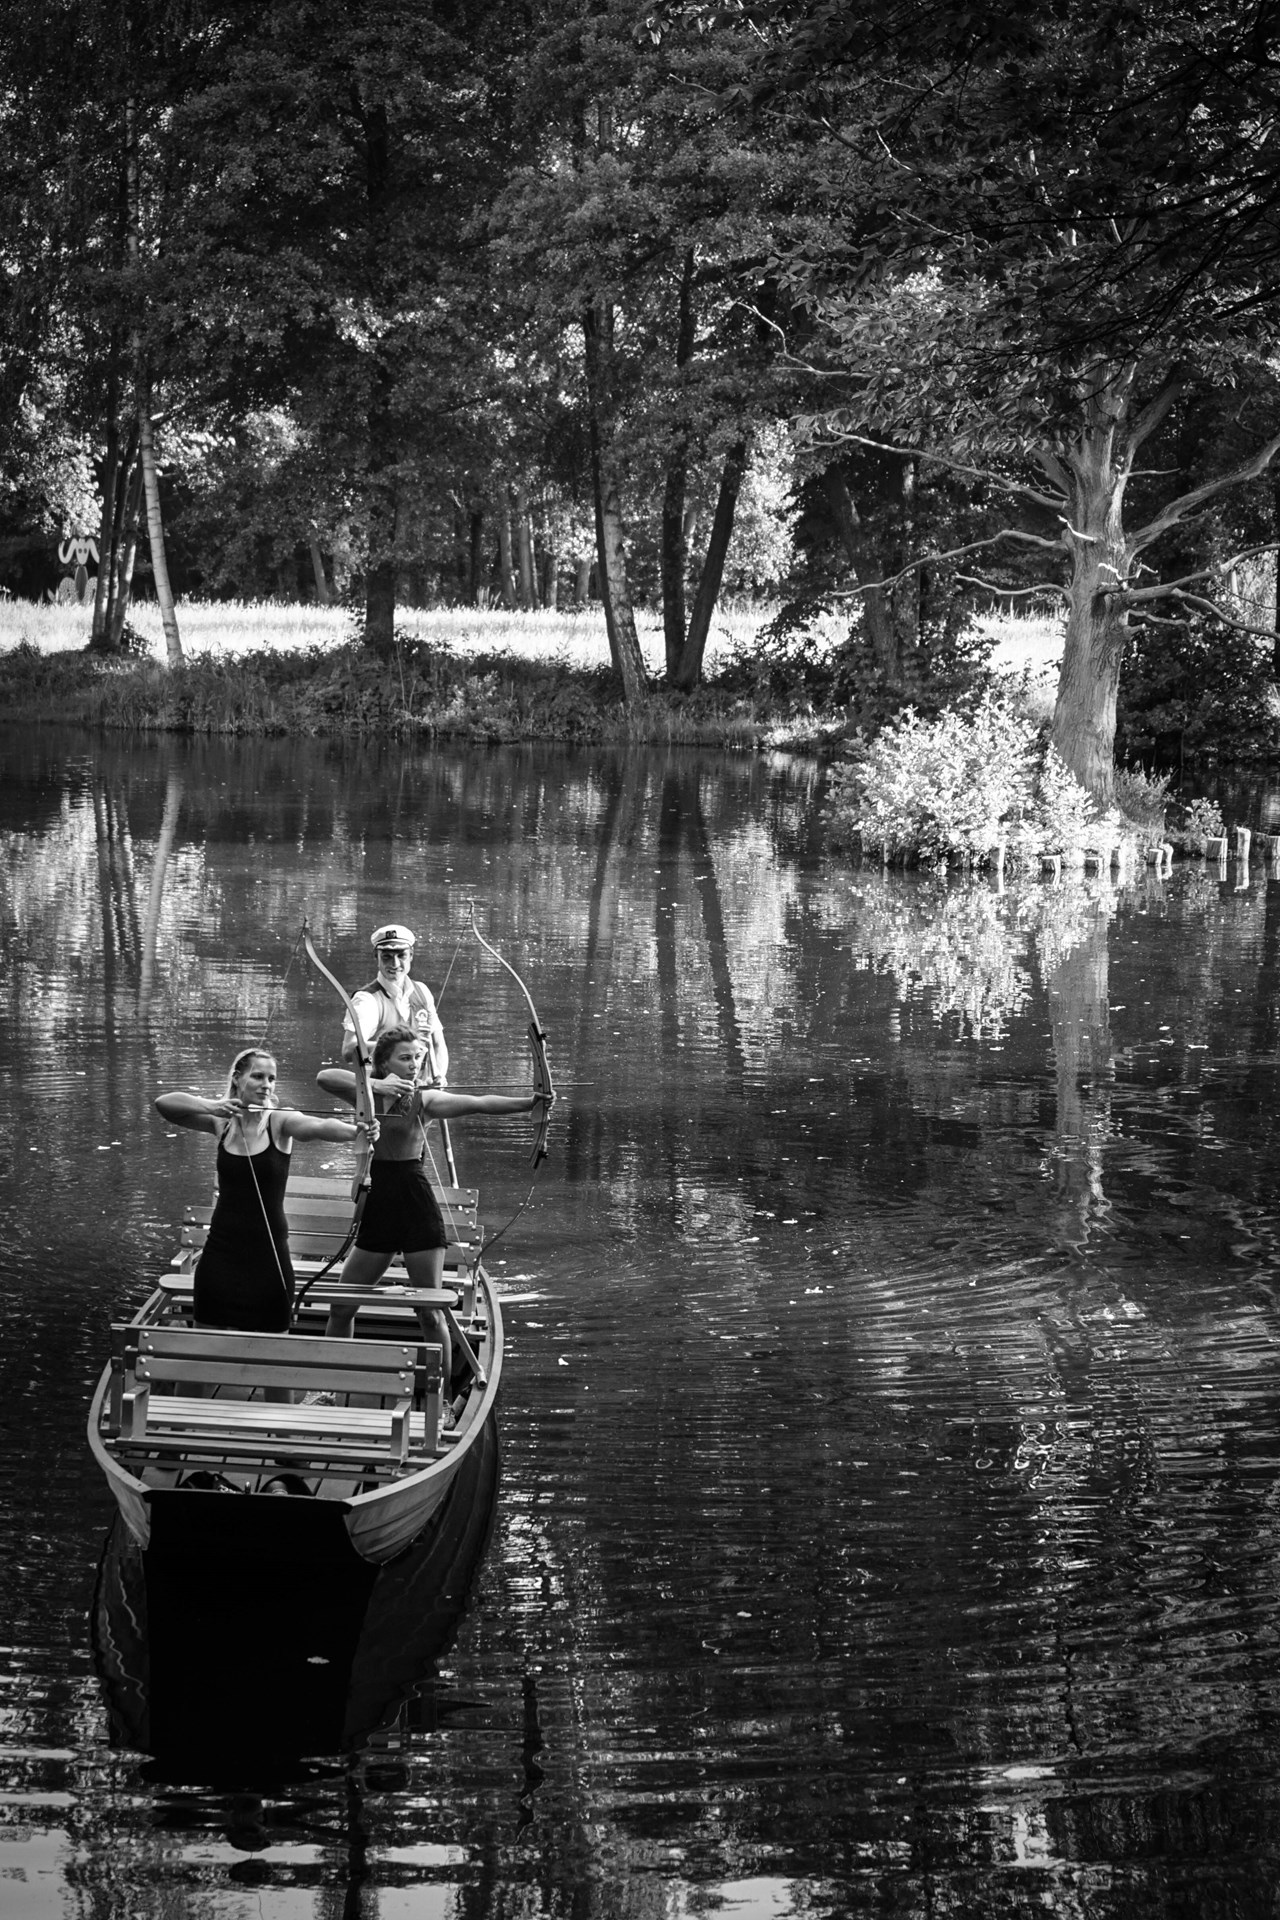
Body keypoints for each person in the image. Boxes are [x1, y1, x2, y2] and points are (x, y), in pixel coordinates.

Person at [317, 1026, 552, 1390]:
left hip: (416, 1207)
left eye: (418, 1057)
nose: (414, 1065)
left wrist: (530, 1103)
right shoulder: (365, 1093)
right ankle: (329, 1390)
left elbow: (479, 1103)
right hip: (377, 1206)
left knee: (430, 1312)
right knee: (343, 1305)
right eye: (405, 1057)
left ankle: (436, 1396)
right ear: (383, 1062)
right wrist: (376, 1086)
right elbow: (324, 1078)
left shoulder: (424, 1101)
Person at [155, 1046, 375, 1333]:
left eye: (271, 1078)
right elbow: (165, 1104)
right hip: (221, 1254)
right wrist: (212, 1106)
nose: (266, 1085)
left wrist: (356, 1131)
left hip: (269, 1256)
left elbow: (319, 1126)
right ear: (237, 1078)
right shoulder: (221, 1123)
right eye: (258, 1076)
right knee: (204, 1348)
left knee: (273, 1346)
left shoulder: (280, 1121)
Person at [341, 923, 449, 1086]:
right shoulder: (367, 1000)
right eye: (387, 956)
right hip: (384, 1095)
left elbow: (437, 1043)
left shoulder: (422, 991)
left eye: (401, 955)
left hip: (423, 1092)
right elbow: (349, 1050)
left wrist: (439, 1076)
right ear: (376, 956)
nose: (395, 964)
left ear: (411, 955)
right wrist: (395, 1047)